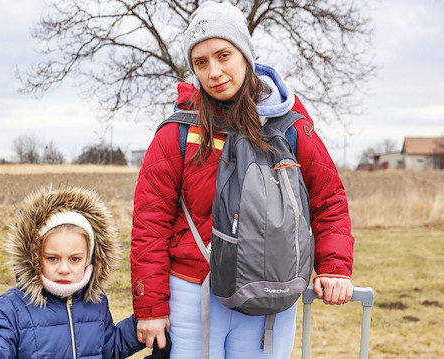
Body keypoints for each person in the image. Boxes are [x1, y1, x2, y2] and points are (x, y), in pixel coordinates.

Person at [130, 1, 354, 358]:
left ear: (245, 55)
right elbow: (150, 223)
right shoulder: (177, 132)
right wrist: (151, 307)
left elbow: (327, 198)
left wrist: (335, 267)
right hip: (192, 292)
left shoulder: (290, 124)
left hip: (271, 288)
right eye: (201, 62)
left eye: (223, 55)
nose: (214, 71)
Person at [0, 186, 146, 359]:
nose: (63, 269)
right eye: (52, 258)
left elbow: (109, 348)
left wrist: (143, 322)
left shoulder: (96, 302)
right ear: (34, 258)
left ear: (90, 259)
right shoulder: (12, 306)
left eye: (74, 259)